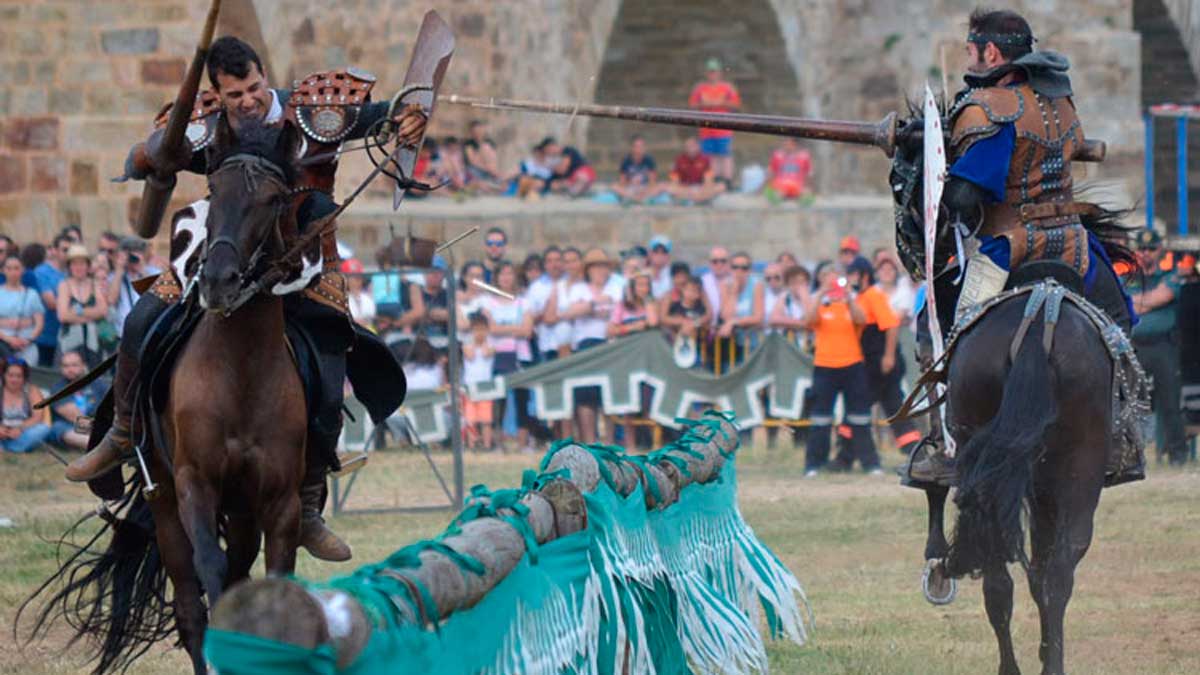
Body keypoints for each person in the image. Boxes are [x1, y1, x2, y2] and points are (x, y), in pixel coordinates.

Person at [66, 35, 429, 562]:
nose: (247, 101)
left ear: (265, 77)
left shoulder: (314, 112)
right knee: (144, 317)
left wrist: (407, 117)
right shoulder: (206, 124)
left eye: (254, 88)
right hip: (227, 250)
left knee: (329, 354)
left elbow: (383, 115)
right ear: (219, 92)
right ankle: (123, 431)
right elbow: (144, 153)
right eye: (234, 94)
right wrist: (152, 154)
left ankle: (305, 502)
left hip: (304, 253)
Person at [902, 9, 1139, 486]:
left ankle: (946, 443)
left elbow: (968, 198)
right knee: (1119, 322)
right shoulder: (1060, 103)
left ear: (991, 52)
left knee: (941, 326)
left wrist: (938, 173)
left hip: (1009, 249)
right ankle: (1121, 435)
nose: (970, 57)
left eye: (971, 49)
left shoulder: (990, 107)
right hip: (1074, 245)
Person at [802, 265, 879, 476]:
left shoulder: (850, 301)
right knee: (820, 418)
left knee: (860, 417)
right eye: (828, 278)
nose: (833, 282)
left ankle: (870, 464)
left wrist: (848, 297)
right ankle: (814, 464)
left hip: (852, 365)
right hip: (825, 367)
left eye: (836, 278)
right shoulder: (819, 302)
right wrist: (821, 292)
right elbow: (808, 320)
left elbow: (861, 319)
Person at [1125, 229, 1187, 465]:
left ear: (1160, 250)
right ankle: (1131, 457)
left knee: (1170, 403)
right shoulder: (1128, 278)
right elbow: (1127, 303)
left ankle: (1177, 456)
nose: (1146, 253)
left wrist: (1140, 302)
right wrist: (1149, 301)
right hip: (1135, 348)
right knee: (1130, 404)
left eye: (1151, 249)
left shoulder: (1171, 275)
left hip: (1164, 346)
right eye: (1142, 248)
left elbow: (1163, 296)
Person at [563, 248, 620, 443]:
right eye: (595, 267)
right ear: (588, 270)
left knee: (608, 395)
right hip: (585, 345)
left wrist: (589, 307)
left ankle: (609, 441)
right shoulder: (579, 289)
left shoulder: (616, 287)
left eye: (603, 267)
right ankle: (589, 440)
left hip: (609, 344)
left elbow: (617, 311)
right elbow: (571, 312)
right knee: (585, 394)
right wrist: (596, 304)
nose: (599, 271)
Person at [483, 261, 536, 452]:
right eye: (502, 274)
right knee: (499, 400)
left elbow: (528, 331)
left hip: (520, 356)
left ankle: (523, 442)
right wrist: (516, 328)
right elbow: (492, 329)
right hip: (498, 356)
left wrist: (503, 329)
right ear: (496, 277)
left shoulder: (524, 302)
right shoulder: (488, 303)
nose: (506, 277)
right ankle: (499, 442)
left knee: (522, 398)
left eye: (510, 273)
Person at [688, 57, 742, 183]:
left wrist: (721, 103)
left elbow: (736, 105)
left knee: (725, 155)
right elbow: (692, 105)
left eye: (715, 71)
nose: (712, 74)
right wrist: (705, 104)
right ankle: (714, 179)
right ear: (707, 73)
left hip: (723, 128)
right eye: (710, 71)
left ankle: (727, 180)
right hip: (706, 129)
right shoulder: (700, 88)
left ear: (720, 73)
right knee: (709, 157)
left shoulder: (728, 88)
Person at [56, 245, 109, 367]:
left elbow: (103, 311)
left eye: (82, 264)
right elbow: (63, 316)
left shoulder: (95, 284)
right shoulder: (64, 285)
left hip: (94, 341)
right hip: (71, 341)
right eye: (74, 264)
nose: (78, 267)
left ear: (87, 266)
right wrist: (91, 316)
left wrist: (77, 312)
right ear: (69, 266)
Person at [49, 350, 107, 451]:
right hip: (69, 425)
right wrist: (101, 431)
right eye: (65, 366)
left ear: (83, 366)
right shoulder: (58, 388)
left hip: (97, 426)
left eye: (74, 365)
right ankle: (100, 447)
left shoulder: (97, 384)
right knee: (59, 428)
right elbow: (75, 417)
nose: (70, 369)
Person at [716, 252, 765, 364]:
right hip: (731, 343)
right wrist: (734, 293)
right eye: (735, 267)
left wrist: (734, 322)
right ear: (730, 269)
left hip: (752, 343)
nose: (739, 271)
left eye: (744, 268)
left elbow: (758, 317)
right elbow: (725, 315)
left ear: (750, 270)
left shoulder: (757, 285)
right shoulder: (725, 285)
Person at [106, 236, 159, 338]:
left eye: (138, 251)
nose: (133, 258)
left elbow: (163, 298)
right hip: (124, 335)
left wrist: (143, 271)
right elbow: (111, 300)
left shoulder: (154, 273)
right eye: (130, 253)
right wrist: (119, 270)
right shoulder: (114, 276)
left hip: (149, 335)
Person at [32, 234, 70, 368]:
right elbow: (51, 303)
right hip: (46, 335)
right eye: (65, 249)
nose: (69, 253)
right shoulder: (42, 272)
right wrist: (79, 309)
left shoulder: (72, 271)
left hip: (67, 338)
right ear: (54, 250)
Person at [0, 356, 52, 453]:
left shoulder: (32, 390)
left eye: (19, 376)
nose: (14, 380)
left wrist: (20, 429)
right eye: (10, 375)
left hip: (22, 431)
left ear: (25, 377)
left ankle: (10, 448)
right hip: (1, 430)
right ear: (3, 375)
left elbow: (37, 417)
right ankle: (14, 448)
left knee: (43, 429)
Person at [0, 256, 44, 363]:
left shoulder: (32, 294)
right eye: (9, 268)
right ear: (3, 270)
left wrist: (28, 340)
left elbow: (39, 322)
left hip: (26, 345)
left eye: (16, 268)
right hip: (2, 345)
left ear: (22, 270)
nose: (13, 272)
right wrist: (9, 339)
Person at [461, 314, 494, 450]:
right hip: (470, 386)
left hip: (485, 386)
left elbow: (487, 354)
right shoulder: (467, 346)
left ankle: (487, 444)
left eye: (482, 329)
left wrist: (483, 342)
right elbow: (470, 356)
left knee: (486, 419)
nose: (479, 333)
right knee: (470, 419)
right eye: (476, 330)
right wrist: (475, 342)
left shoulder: (491, 346)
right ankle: (472, 444)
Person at [667, 137, 726, 204]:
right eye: (687, 146)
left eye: (692, 146)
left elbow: (708, 179)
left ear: (698, 146)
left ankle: (692, 199)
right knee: (670, 189)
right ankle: (700, 199)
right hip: (685, 188)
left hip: (700, 187)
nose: (689, 148)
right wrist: (680, 187)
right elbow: (674, 179)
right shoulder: (679, 159)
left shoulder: (705, 159)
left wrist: (704, 189)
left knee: (721, 186)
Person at [463, 120, 508, 193]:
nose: (478, 133)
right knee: (485, 147)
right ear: (471, 132)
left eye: (479, 130)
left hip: (489, 170)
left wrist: (494, 171)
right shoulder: (469, 144)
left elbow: (493, 159)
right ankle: (490, 186)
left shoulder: (489, 142)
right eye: (475, 131)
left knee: (486, 146)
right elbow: (473, 161)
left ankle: (493, 185)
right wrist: (488, 169)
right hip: (476, 169)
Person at [613, 135, 660, 204]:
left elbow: (652, 181)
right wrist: (632, 182)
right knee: (614, 187)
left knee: (661, 186)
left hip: (645, 188)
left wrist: (645, 189)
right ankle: (637, 199)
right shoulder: (626, 161)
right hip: (631, 189)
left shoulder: (649, 160)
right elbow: (622, 182)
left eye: (642, 146)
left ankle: (639, 198)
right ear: (632, 148)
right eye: (637, 146)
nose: (639, 149)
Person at [873, 250, 916, 324]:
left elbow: (900, 316)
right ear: (877, 273)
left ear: (896, 272)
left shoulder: (905, 291)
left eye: (890, 269)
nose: (887, 272)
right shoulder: (872, 291)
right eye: (882, 269)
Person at [766, 138, 813, 202]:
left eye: (790, 144)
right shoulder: (778, 155)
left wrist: (807, 187)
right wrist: (770, 186)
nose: (787, 145)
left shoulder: (804, 156)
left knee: (807, 196)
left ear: (795, 144)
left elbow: (809, 173)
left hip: (797, 186)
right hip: (781, 186)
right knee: (776, 194)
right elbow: (770, 171)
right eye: (785, 143)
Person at [701, 246, 732, 328]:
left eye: (723, 261)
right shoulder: (702, 282)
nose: (719, 264)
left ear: (729, 263)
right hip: (707, 329)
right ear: (709, 264)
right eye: (715, 261)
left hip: (732, 329)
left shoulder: (736, 281)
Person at [342, 259, 376, 331]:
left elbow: (371, 316)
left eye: (359, 277)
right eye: (353, 277)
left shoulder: (367, 298)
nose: (358, 280)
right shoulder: (340, 298)